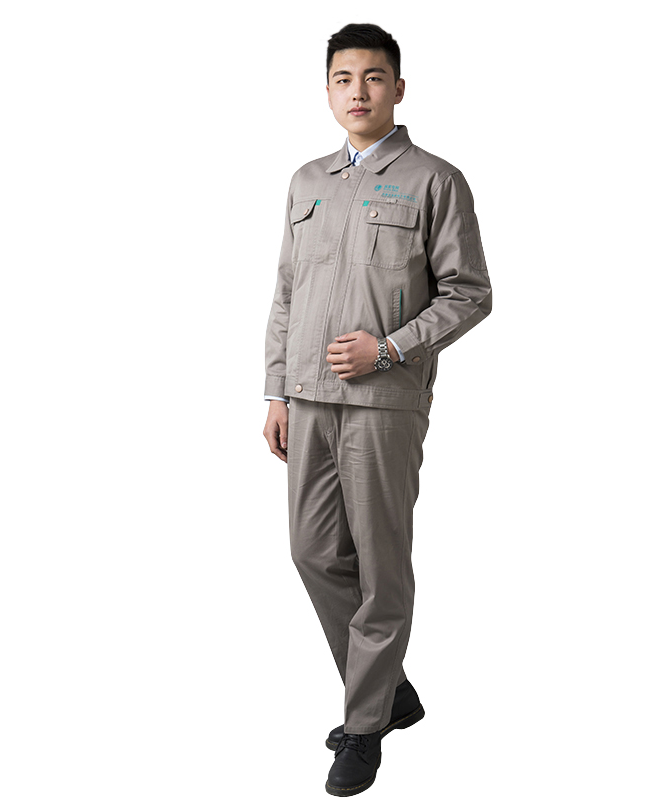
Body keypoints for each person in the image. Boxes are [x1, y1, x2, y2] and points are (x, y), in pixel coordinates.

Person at [262, 23, 492, 796]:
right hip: (307, 399)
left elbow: (469, 293)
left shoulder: (435, 180)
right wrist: (277, 391)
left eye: (372, 77)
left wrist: (388, 350)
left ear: (398, 87)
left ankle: (364, 726)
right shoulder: (307, 181)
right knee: (312, 552)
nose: (357, 91)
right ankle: (388, 689)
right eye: (343, 78)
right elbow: (286, 293)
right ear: (327, 90)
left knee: (380, 565)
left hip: (383, 402)